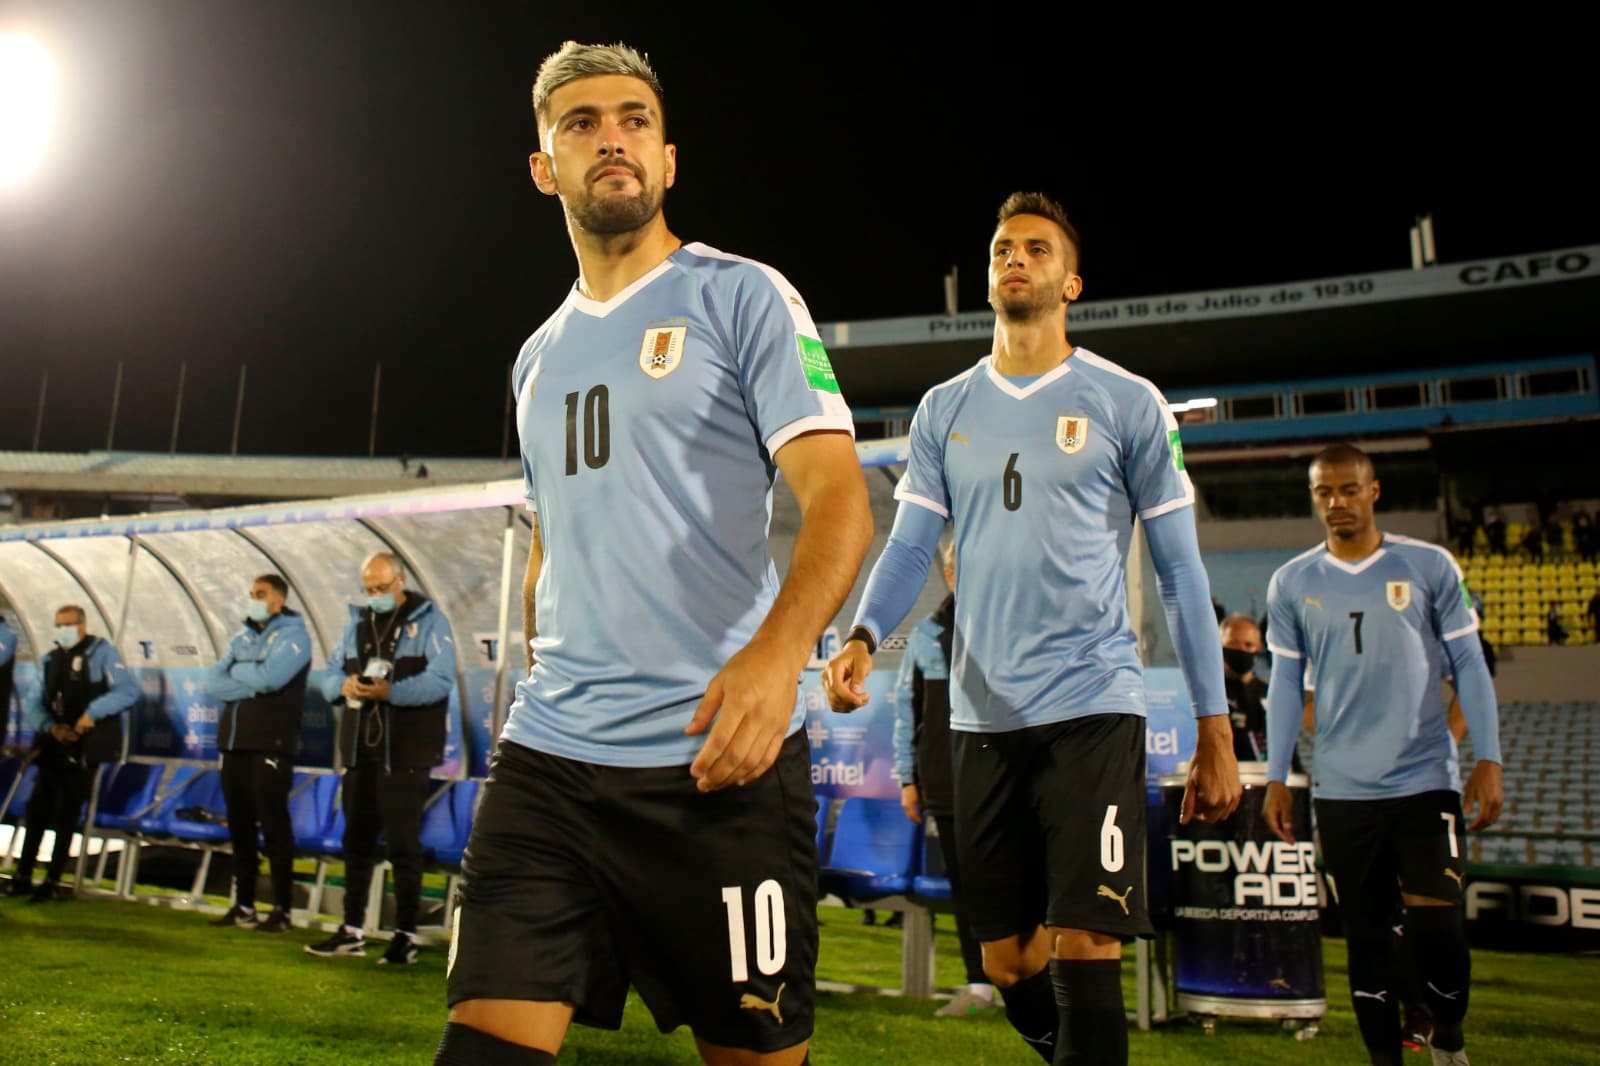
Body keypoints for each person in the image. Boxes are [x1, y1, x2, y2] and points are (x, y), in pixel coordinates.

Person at [435, 42, 872, 1066]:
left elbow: (839, 499)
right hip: (548, 762)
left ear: (668, 158)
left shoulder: (743, 296)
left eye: (632, 119)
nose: (611, 139)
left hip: (714, 763)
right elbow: (551, 543)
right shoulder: (535, 357)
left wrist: (775, 661)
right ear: (545, 167)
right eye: (580, 124)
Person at [824, 191, 1241, 1066]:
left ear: (1071, 281)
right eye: (1004, 247)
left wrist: (1214, 725)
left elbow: (1179, 570)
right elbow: (908, 546)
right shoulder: (943, 409)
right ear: (989, 276)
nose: (1017, 258)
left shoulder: (1129, 402)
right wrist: (864, 634)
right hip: (981, 717)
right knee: (1009, 961)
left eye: (1037, 249)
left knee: (1087, 939)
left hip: (1093, 703)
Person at [1262, 442, 1502, 1066]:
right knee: (1365, 938)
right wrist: (1281, 775)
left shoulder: (1428, 565)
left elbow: (1470, 664)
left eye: (1347, 489)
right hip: (1342, 790)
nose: (1336, 502)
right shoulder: (1292, 582)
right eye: (1323, 492)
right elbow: (1286, 685)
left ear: (1374, 491)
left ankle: (1448, 1036)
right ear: (1314, 498)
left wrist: (1489, 758)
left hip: (1425, 779)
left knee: (1437, 930)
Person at [305, 552, 455, 966]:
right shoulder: (357, 623)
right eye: (369, 589)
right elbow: (328, 675)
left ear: (401, 581)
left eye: (382, 588)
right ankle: (352, 929)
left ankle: (404, 934)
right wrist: (345, 685)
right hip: (359, 750)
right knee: (356, 841)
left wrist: (392, 692)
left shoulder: (430, 622)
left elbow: (440, 681)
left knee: (404, 845)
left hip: (404, 751)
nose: (375, 596)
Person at [891, 536, 996, 1018]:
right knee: (967, 884)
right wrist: (908, 779)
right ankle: (980, 988)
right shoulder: (925, 636)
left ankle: (1031, 981)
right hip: (946, 783)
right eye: (961, 567)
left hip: (1005, 782)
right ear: (950, 575)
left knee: (1016, 880)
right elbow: (906, 713)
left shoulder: (1008, 627)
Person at [201, 573, 312, 933]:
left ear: (278, 600)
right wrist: (252, 676)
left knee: (274, 825)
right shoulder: (242, 636)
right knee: (240, 826)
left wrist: (241, 671)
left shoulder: (295, 636)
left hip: (271, 743)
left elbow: (271, 680)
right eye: (251, 593)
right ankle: (244, 904)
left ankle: (282, 910)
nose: (254, 599)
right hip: (234, 743)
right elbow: (213, 682)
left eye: (260, 594)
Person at [10, 605, 138, 901]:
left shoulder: (102, 653)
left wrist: (91, 715)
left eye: (67, 624)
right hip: (55, 742)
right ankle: (23, 875)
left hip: (86, 745)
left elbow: (127, 691)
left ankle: (53, 880)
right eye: (58, 625)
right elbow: (34, 701)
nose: (62, 630)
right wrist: (50, 727)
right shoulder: (52, 659)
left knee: (67, 811)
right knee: (38, 808)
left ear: (82, 625)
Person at [1220, 613, 1270, 762]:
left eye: (1248, 645)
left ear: (1259, 647)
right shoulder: (1210, 695)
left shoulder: (1270, 693)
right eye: (1233, 643)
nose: (1241, 650)